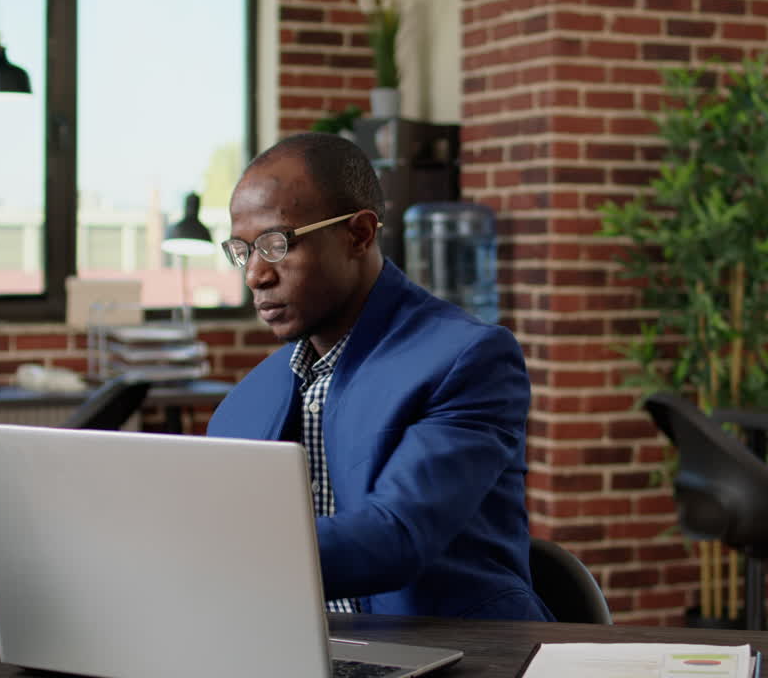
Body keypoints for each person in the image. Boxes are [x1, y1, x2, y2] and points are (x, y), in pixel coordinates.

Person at [209, 132, 551, 621]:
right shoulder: (245, 403)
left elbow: (397, 536)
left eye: (276, 244)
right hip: (303, 653)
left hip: (464, 655)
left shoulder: (467, 360)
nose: (255, 276)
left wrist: (208, 554)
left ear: (359, 235)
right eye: (243, 251)